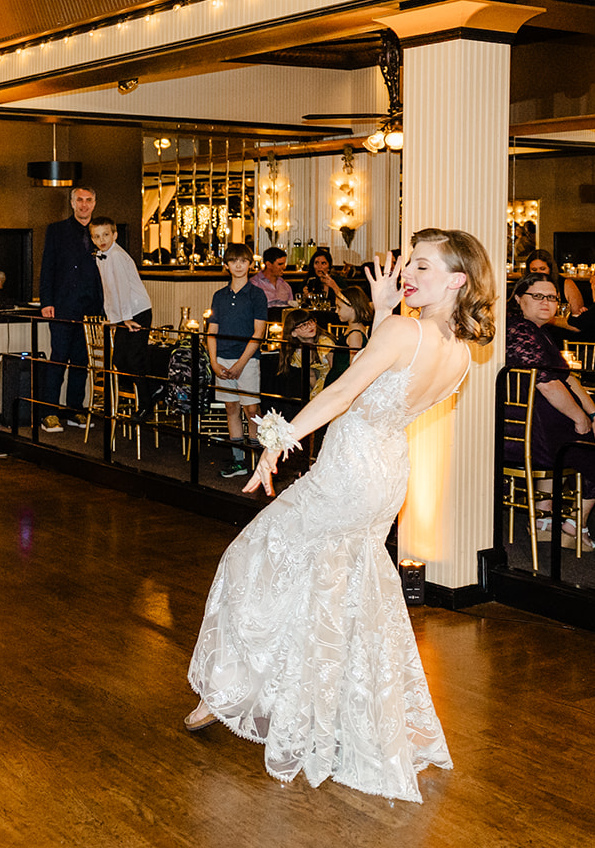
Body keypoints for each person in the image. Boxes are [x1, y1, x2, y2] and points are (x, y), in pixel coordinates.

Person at [184, 229, 494, 802]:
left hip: (349, 473)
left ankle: (235, 692)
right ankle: (313, 708)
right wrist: (380, 313)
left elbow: (346, 392)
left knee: (252, 559)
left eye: (423, 267)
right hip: (384, 474)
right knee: (335, 585)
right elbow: (386, 384)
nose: (409, 273)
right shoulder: (460, 352)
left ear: (457, 280)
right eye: (410, 263)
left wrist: (279, 439)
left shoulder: (408, 330)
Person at [506, 273, 595, 550]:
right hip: (525, 434)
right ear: (519, 299)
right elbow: (547, 383)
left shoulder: (538, 331)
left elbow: (568, 378)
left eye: (552, 297)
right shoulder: (519, 330)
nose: (547, 302)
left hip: (539, 427)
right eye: (538, 296)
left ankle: (545, 522)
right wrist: (581, 419)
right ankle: (573, 526)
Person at [37, 187, 103, 433]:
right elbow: (47, 268)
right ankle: (49, 413)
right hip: (63, 306)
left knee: (81, 362)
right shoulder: (57, 230)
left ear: (94, 203)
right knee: (58, 360)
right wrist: (47, 302)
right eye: (80, 200)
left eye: (88, 200)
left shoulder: (101, 232)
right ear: (72, 203)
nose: (84, 205)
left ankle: (76, 410)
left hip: (92, 307)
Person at [205, 243, 268, 478]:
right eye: (233, 261)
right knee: (231, 407)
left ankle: (256, 458)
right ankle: (239, 461)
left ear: (250, 264)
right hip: (222, 358)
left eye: (243, 261)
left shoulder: (257, 294)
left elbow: (258, 333)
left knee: (252, 409)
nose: (238, 265)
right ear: (226, 265)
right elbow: (212, 331)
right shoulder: (219, 296)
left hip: (248, 359)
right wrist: (214, 362)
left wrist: (240, 364)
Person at [90, 215, 156, 409]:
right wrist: (112, 318)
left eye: (105, 235)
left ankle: (147, 401)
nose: (101, 240)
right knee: (119, 359)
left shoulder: (117, 255)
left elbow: (123, 288)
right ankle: (150, 390)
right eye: (96, 236)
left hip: (137, 311)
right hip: (125, 314)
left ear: (115, 235)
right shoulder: (102, 257)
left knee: (134, 360)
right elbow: (109, 290)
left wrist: (125, 318)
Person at [273, 308, 336, 404]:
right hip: (317, 383)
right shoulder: (297, 353)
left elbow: (334, 368)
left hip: (332, 380)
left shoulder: (324, 342)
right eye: (303, 325)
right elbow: (310, 375)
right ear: (293, 333)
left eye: (311, 321)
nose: (310, 326)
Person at [524, 249, 585, 315]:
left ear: (550, 269)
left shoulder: (566, 284)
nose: (539, 273)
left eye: (542, 269)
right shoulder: (525, 287)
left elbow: (578, 316)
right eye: (534, 270)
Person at [334, 284, 372, 358]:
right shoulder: (353, 329)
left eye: (339, 307)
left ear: (352, 308)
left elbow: (354, 364)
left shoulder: (355, 335)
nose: (336, 311)